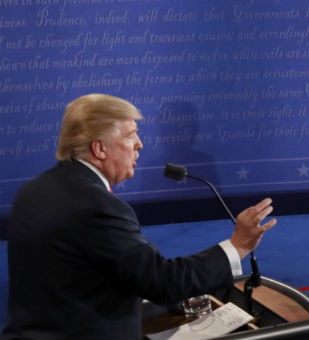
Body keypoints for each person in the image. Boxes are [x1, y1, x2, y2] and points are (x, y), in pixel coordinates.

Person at [2, 94, 277, 339]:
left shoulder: (34, 190)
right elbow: (162, 283)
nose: (140, 145)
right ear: (99, 148)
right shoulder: (98, 207)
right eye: (131, 134)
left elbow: (81, 275)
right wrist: (238, 245)